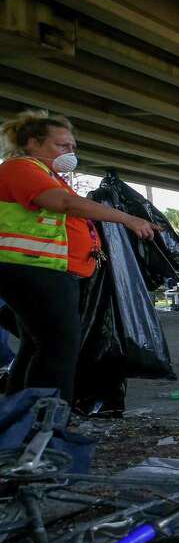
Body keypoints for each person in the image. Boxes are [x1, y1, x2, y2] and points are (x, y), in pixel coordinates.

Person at [0, 110, 157, 401]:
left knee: (37, 345)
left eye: (73, 146)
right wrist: (127, 218)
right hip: (33, 269)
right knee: (58, 346)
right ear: (33, 143)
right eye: (62, 145)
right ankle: (46, 422)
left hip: (40, 268)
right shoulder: (22, 168)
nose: (71, 152)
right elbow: (65, 204)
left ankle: (20, 419)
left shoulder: (46, 175)